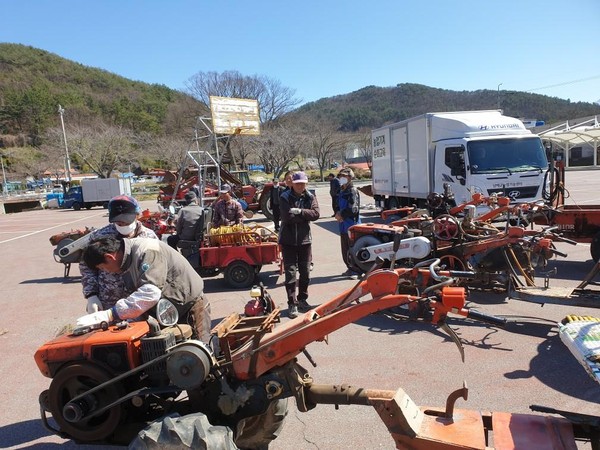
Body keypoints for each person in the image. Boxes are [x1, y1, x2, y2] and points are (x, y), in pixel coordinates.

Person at [77, 235, 211, 342]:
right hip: (168, 312)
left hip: (190, 307)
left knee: (198, 358)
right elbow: (137, 299)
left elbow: (150, 292)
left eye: (102, 268)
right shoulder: (126, 262)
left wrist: (110, 314)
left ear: (109, 257)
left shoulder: (147, 250)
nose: (107, 271)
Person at [80, 195, 158, 314]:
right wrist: (91, 295)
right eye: (118, 221)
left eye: (125, 220)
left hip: (139, 302)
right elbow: (87, 266)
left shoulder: (149, 237)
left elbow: (157, 268)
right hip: (108, 301)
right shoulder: (99, 236)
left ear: (137, 216)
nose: (121, 224)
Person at [279, 171, 320, 318]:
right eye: (297, 183)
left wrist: (300, 212)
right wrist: (304, 216)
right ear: (293, 184)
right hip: (288, 241)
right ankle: (292, 304)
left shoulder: (310, 196)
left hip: (304, 241)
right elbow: (287, 217)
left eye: (303, 183)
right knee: (290, 273)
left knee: (305, 272)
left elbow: (316, 214)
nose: (300, 186)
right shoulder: (284, 197)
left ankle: (303, 299)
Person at [335, 168, 362, 278]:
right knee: (345, 248)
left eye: (344, 176)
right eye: (340, 176)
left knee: (353, 247)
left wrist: (342, 215)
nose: (342, 178)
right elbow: (338, 205)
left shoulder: (352, 190)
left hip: (351, 224)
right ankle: (350, 268)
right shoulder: (342, 190)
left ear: (350, 178)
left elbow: (353, 209)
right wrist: (337, 213)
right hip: (343, 225)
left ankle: (357, 270)